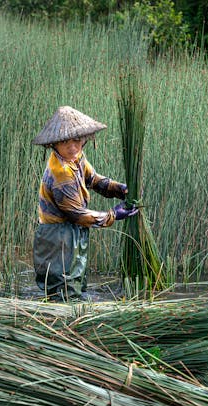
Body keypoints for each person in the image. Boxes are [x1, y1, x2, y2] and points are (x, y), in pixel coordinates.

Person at [31, 106, 139, 301]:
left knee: (76, 283)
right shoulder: (61, 173)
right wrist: (113, 214)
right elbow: (77, 215)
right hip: (57, 236)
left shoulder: (76, 157)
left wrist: (118, 189)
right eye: (65, 142)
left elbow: (93, 179)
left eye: (77, 140)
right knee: (63, 290)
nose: (72, 146)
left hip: (71, 231)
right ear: (54, 143)